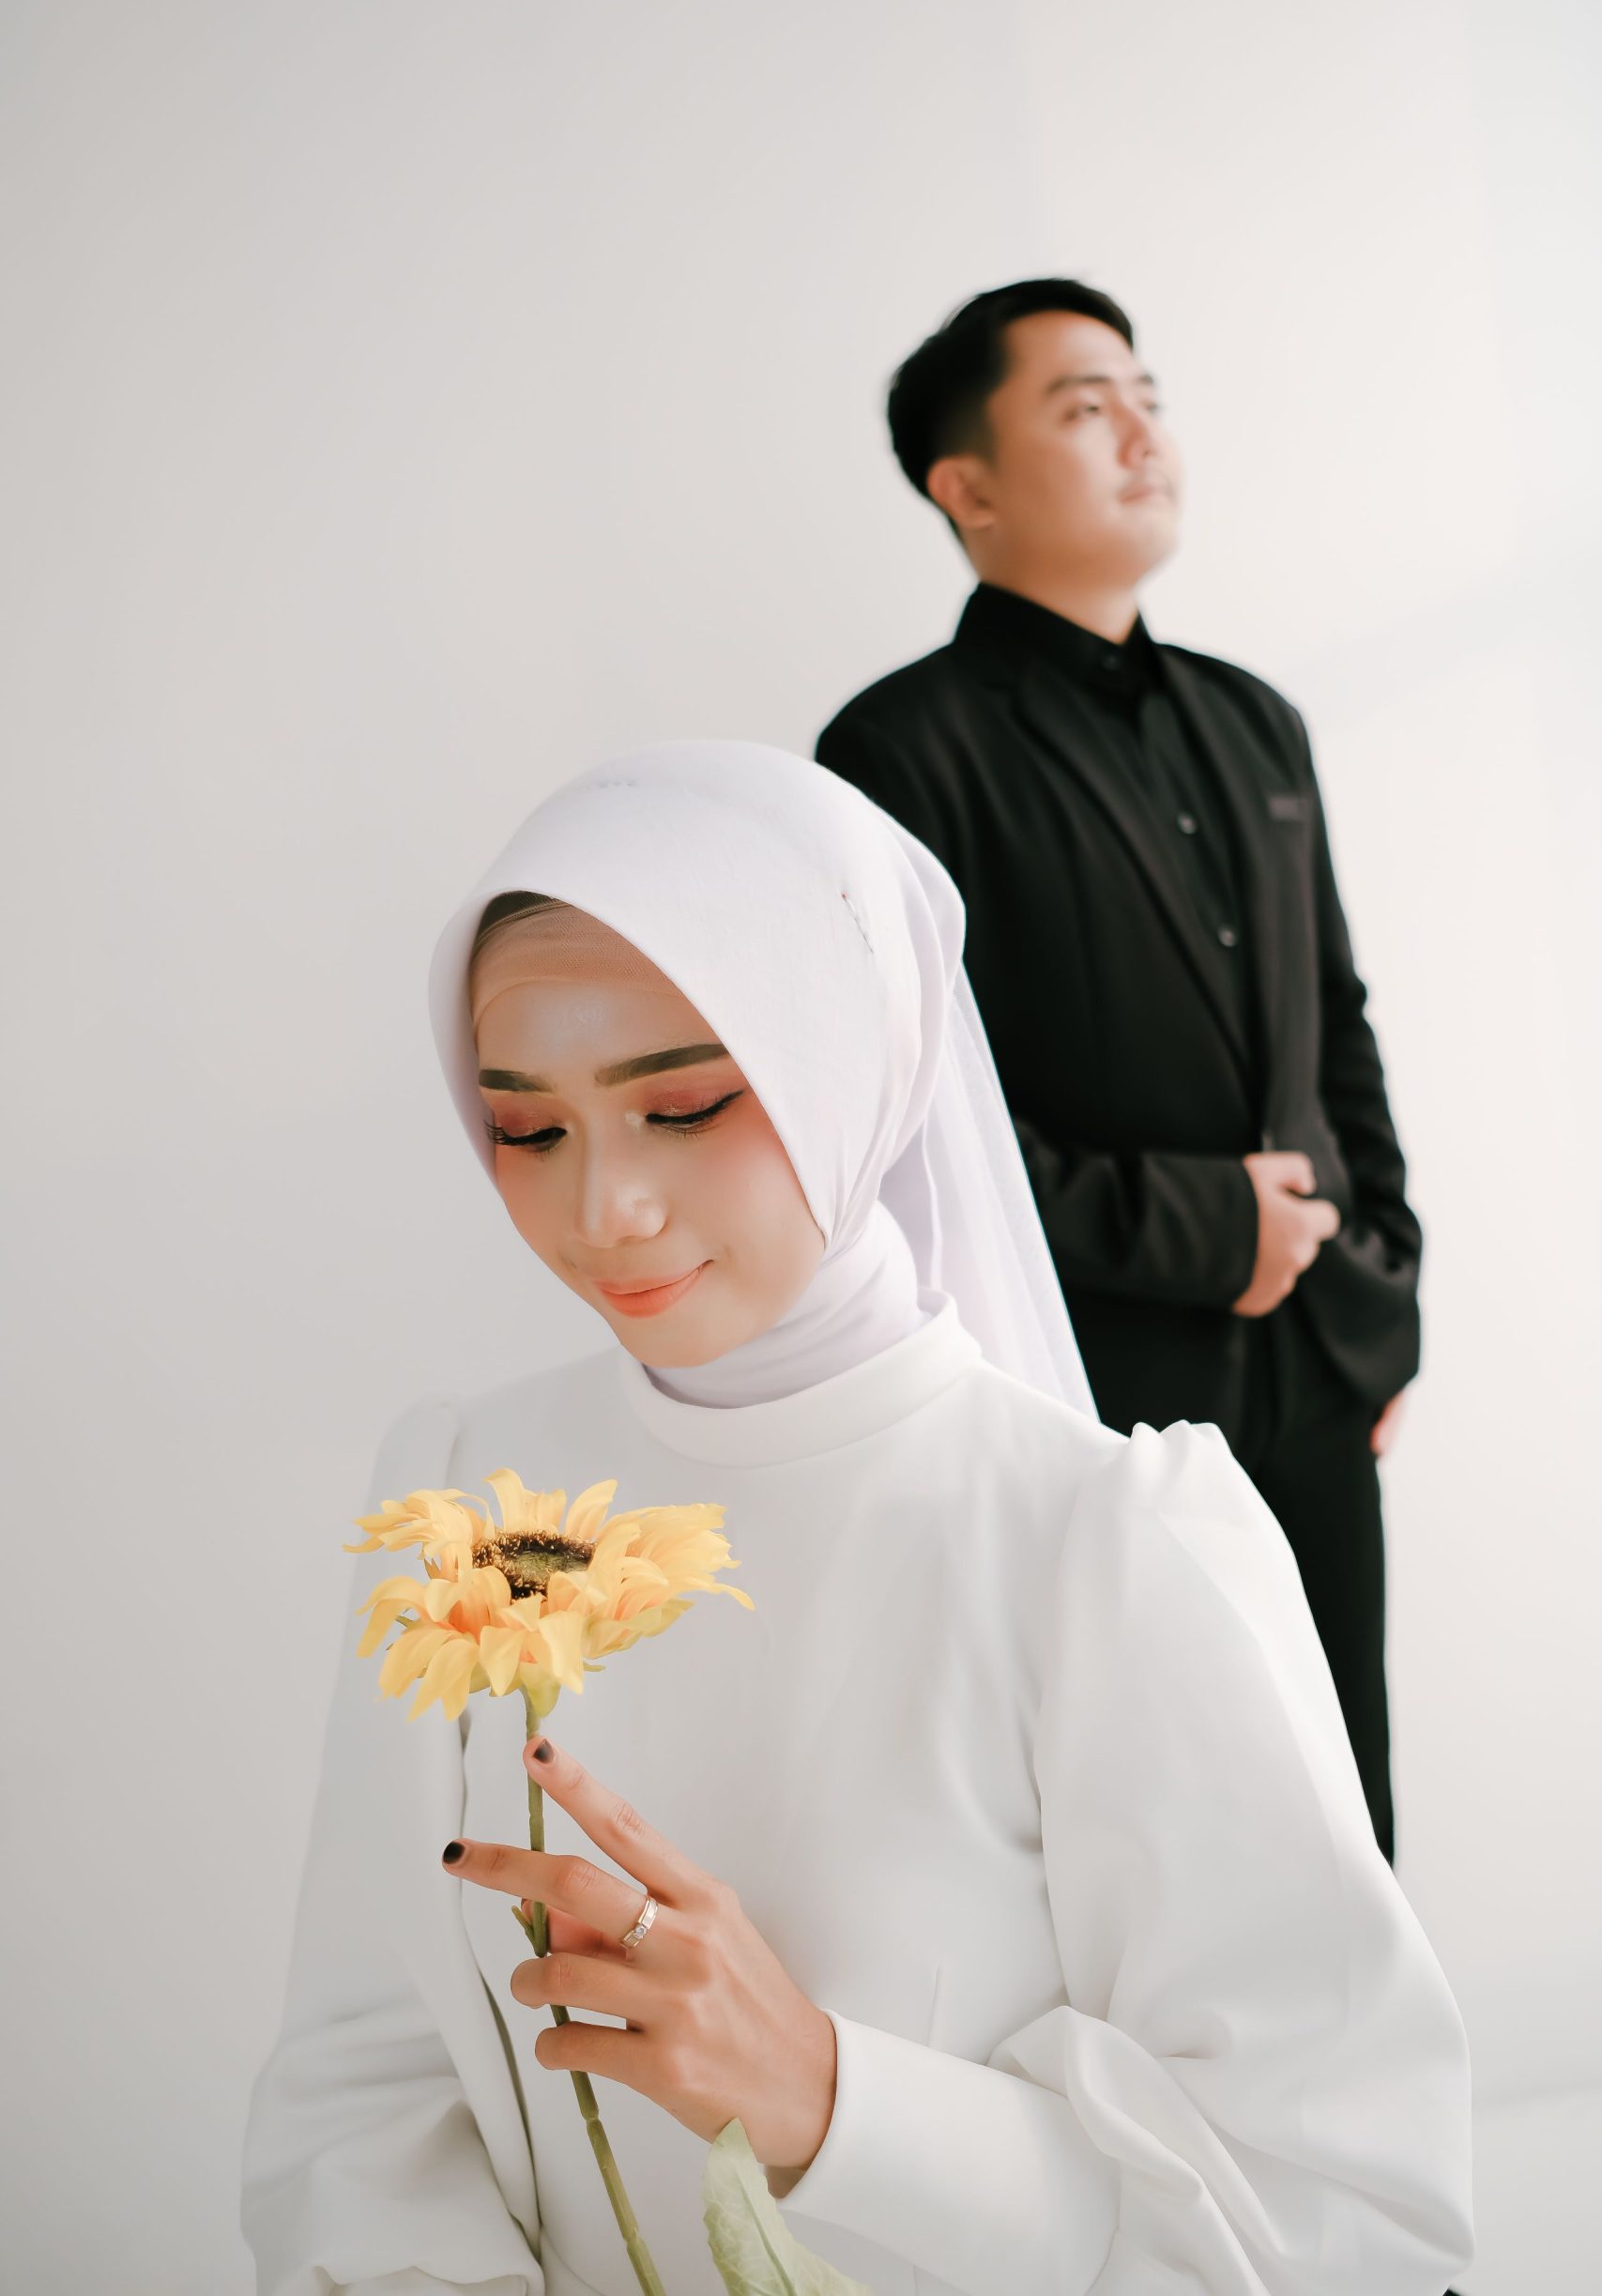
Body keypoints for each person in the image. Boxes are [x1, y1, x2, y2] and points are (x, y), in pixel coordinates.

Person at [242, 741, 1471, 2296]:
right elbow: (368, 2081)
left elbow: (1345, 2219)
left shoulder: (1104, 1542)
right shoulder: (475, 1496)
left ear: (855, 1062)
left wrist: (831, 2102)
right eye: (528, 1129)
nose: (605, 1209)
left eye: (684, 1105)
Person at [816, 278, 1419, 1860]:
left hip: (1320, 1369)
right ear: (969, 487)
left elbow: (1338, 1026)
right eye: (1086, 408)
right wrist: (1213, 1231)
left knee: (1349, 1826)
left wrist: (1384, 1296)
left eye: (1148, 397)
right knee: (1164, 1843)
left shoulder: (1256, 722)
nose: (1145, 433)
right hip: (1093, 1397)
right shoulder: (896, 752)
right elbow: (913, 1133)